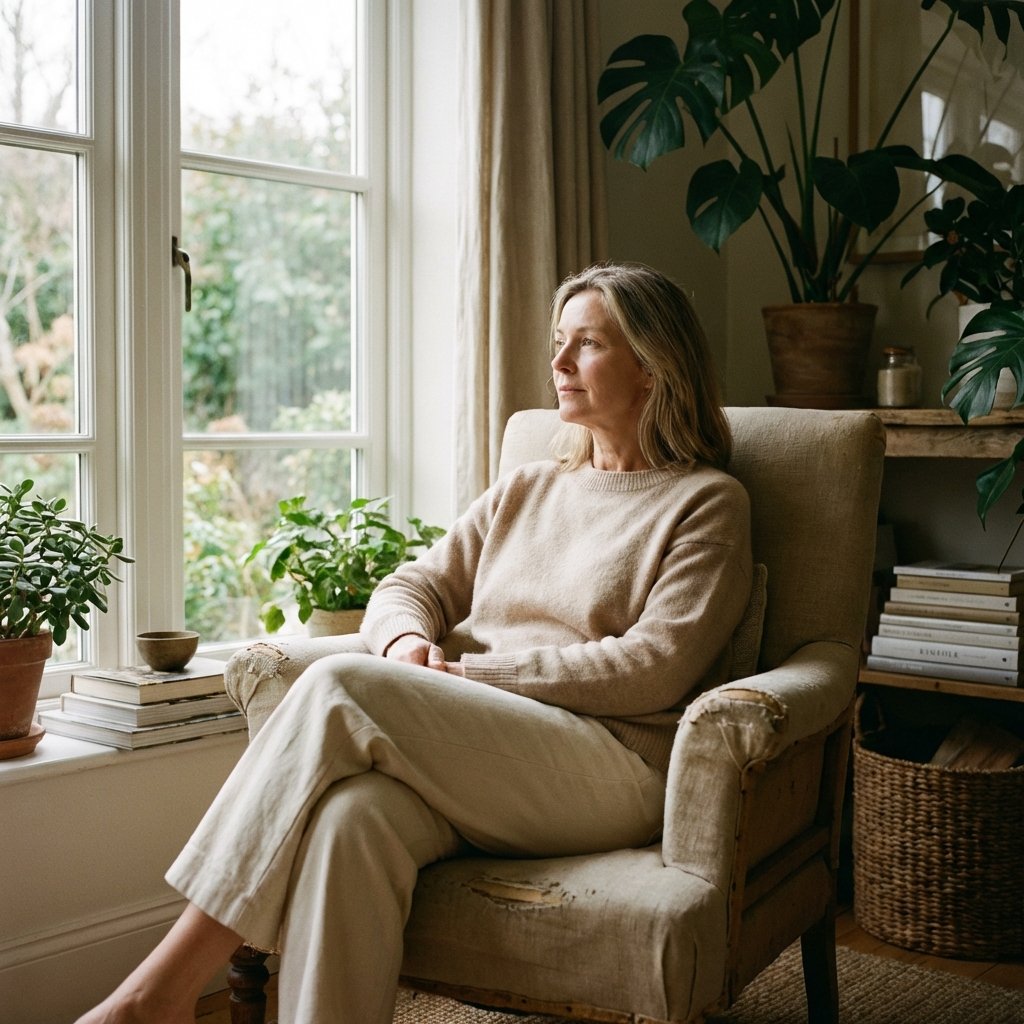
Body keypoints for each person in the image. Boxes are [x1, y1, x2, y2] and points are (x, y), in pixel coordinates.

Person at [77, 261, 753, 1024]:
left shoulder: (707, 504)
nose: (560, 362)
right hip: (484, 746)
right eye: (558, 341)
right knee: (352, 820)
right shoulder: (528, 488)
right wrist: (404, 646)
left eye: (588, 344)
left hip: (610, 768)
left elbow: (652, 669)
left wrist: (470, 675)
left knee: (339, 682)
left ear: (654, 368)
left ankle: (155, 994)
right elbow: (410, 585)